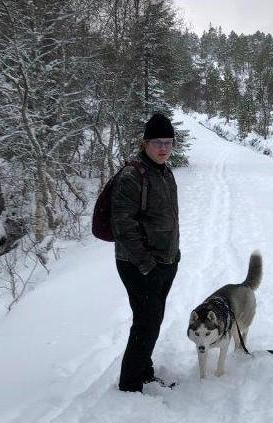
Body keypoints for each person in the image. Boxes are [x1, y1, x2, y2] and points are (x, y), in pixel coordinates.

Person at [111, 113, 180, 392]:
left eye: (168, 142)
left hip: (163, 260)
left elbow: (167, 217)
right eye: (157, 142)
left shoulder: (163, 171)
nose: (163, 148)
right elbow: (123, 226)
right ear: (145, 144)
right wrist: (147, 264)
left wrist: (174, 254)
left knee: (151, 319)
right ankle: (130, 384)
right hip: (138, 264)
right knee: (146, 321)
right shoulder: (132, 175)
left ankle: (144, 370)